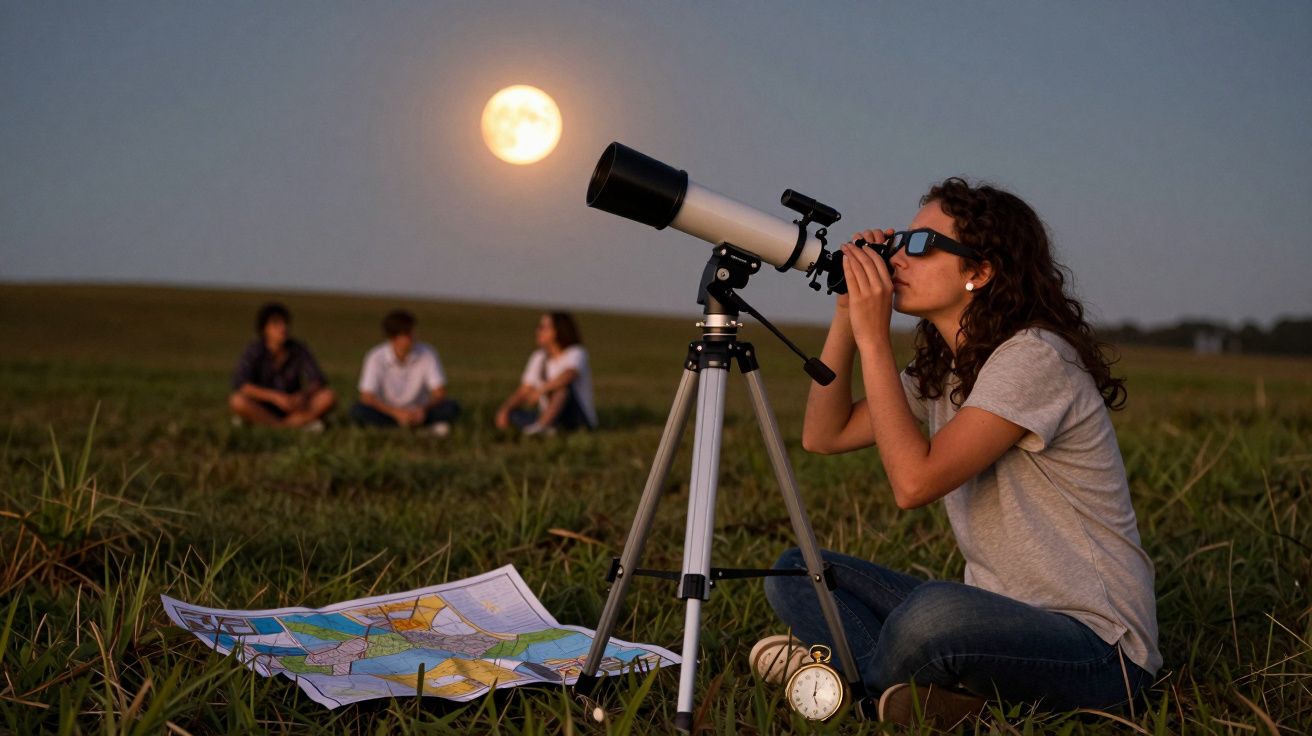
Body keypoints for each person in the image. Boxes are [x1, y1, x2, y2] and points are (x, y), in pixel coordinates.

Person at [753, 178, 1159, 727]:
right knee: (796, 571)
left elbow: (913, 485)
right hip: (996, 623)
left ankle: (847, 689)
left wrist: (876, 337)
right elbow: (824, 435)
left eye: (920, 245)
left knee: (933, 614)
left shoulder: (1034, 358)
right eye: (899, 240)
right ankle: (946, 701)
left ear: (980, 270)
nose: (898, 255)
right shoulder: (947, 370)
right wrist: (849, 315)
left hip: (1098, 652)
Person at [350, 309, 461, 434]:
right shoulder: (376, 356)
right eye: (408, 333)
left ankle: (394, 428)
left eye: (413, 332)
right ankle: (417, 428)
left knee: (451, 407)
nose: (413, 337)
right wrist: (397, 413)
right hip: (388, 411)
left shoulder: (427, 353)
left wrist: (422, 410)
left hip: (419, 411)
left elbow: (439, 392)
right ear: (393, 338)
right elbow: (367, 397)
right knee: (358, 410)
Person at [228, 302, 336, 430]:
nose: (282, 328)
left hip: (293, 405)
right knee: (237, 400)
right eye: (276, 324)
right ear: (264, 329)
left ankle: (278, 425)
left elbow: (317, 379)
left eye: (285, 323)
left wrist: (303, 395)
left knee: (328, 396)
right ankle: (286, 426)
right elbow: (241, 384)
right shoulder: (255, 351)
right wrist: (274, 397)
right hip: (264, 405)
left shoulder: (298, 349)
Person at [494, 312, 597, 435]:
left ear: (558, 331)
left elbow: (569, 375)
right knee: (512, 414)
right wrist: (506, 409)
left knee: (562, 389)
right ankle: (545, 428)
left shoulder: (576, 352)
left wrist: (541, 390)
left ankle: (540, 428)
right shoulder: (539, 357)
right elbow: (525, 390)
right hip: (548, 415)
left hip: (577, 418)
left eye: (543, 327)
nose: (538, 331)